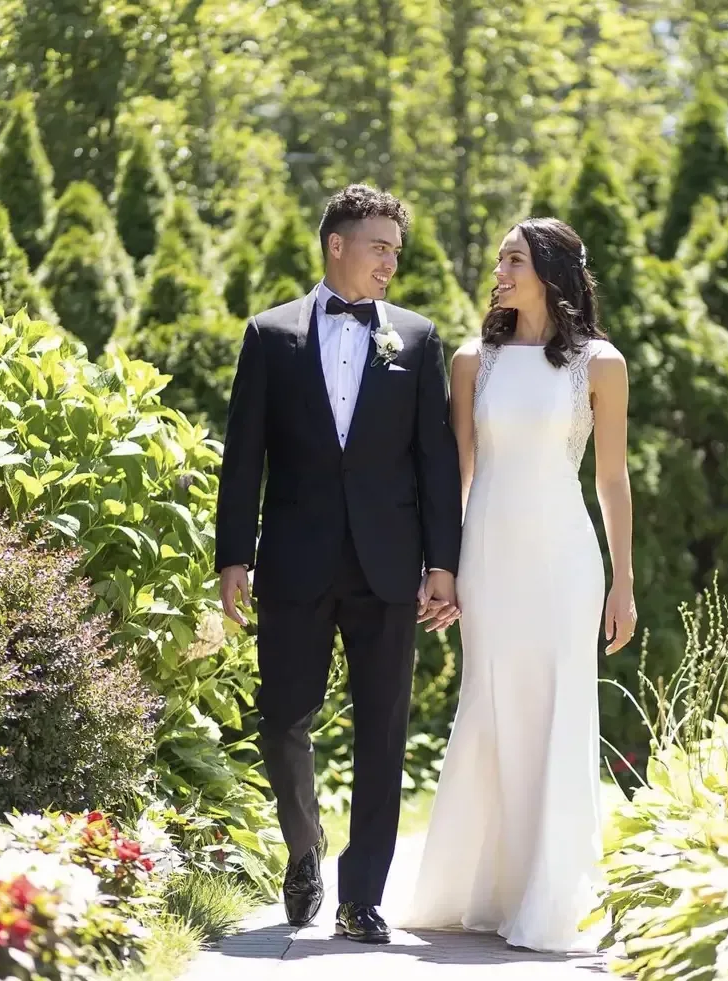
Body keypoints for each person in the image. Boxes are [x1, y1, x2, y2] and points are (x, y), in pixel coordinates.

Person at [215, 184, 462, 944]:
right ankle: (303, 848)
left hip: (389, 566)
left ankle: (361, 895)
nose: (391, 261)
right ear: (336, 244)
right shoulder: (269, 334)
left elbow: (436, 462)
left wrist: (443, 564)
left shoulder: (418, 341)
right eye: (379, 246)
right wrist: (233, 556)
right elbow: (243, 455)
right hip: (294, 560)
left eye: (396, 249)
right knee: (283, 719)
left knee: (383, 731)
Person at [395, 217, 636, 952]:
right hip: (490, 556)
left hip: (565, 560)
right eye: (500, 256)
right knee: (491, 703)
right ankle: (487, 887)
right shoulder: (476, 361)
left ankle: (551, 896)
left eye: (514, 258)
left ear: (552, 271)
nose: (499, 269)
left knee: (561, 705)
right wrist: (441, 565)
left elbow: (612, 476)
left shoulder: (601, 363)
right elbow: (456, 476)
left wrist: (622, 582)